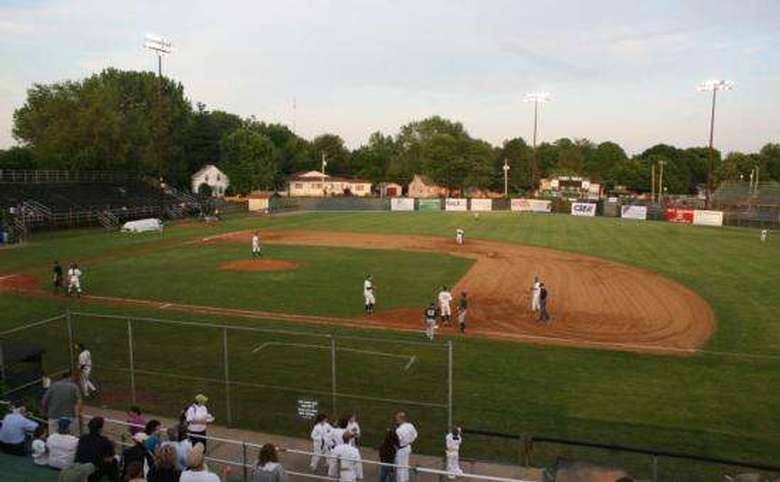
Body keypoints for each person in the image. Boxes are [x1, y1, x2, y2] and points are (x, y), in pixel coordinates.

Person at [74, 416, 118, 482]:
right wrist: (112, 446)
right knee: (114, 461)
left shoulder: (83, 438)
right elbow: (111, 456)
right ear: (100, 429)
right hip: (94, 471)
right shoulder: (104, 440)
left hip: (82, 467)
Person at [42, 371, 82, 436]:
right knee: (72, 437)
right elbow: (79, 402)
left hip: (53, 416)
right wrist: (79, 414)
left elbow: (44, 400)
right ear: (70, 376)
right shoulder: (74, 387)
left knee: (53, 437)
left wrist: (45, 412)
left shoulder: (53, 386)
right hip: (70, 417)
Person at [393, 411, 417, 482]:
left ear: (401, 419)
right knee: (405, 464)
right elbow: (415, 435)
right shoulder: (410, 425)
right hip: (408, 447)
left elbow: (396, 442)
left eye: (397, 419)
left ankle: (401, 480)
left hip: (400, 450)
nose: (396, 420)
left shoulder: (399, 430)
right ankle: (406, 478)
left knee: (399, 467)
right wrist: (410, 441)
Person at [345, 414, 363, 479]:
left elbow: (358, 433)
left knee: (354, 454)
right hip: (347, 440)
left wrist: (355, 434)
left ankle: (354, 467)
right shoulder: (347, 424)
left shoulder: (356, 424)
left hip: (353, 441)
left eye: (354, 418)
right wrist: (351, 433)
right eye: (352, 418)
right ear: (349, 418)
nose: (353, 419)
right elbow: (345, 432)